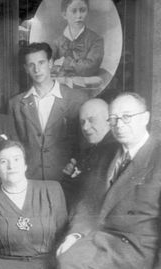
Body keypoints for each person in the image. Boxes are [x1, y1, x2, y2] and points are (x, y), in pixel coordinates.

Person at [57, 92, 161, 269]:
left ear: (145, 118)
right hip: (101, 239)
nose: (119, 125)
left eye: (127, 117)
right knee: (66, 257)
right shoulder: (105, 153)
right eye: (113, 119)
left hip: (139, 248)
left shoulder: (157, 155)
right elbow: (87, 204)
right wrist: (75, 235)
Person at [0, 140, 67, 269]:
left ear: (25, 165)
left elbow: (64, 236)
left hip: (46, 265)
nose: (11, 166)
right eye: (3, 161)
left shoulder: (51, 191)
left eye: (16, 159)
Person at [9, 42, 87, 182]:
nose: (37, 69)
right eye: (31, 65)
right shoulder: (15, 104)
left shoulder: (76, 99)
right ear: (26, 69)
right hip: (29, 178)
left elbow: (84, 140)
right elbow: (14, 144)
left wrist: (75, 162)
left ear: (50, 63)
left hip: (65, 177)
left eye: (41, 62)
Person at [61, 98, 117, 208]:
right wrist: (70, 176)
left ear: (109, 120)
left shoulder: (113, 151)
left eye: (91, 120)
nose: (85, 128)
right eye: (82, 122)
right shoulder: (91, 150)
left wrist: (73, 178)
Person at [52, 0, 104, 90]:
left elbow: (91, 67)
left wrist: (65, 63)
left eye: (83, 10)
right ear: (64, 15)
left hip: (87, 88)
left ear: (87, 12)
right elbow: (48, 64)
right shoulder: (57, 42)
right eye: (74, 11)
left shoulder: (96, 40)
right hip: (61, 88)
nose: (79, 16)